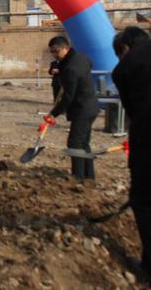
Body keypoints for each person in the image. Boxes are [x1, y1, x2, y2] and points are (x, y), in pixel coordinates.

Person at [112, 26, 151, 278]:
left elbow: (133, 111)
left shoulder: (125, 68)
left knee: (144, 201)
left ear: (124, 48)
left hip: (147, 141)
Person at [44, 36, 99, 181]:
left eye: (56, 51)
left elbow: (68, 97)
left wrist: (54, 113)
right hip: (91, 106)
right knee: (83, 143)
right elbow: (90, 64)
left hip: (82, 109)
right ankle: (89, 176)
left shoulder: (71, 69)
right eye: (52, 52)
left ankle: (78, 178)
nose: (55, 55)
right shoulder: (80, 57)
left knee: (74, 144)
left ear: (66, 48)